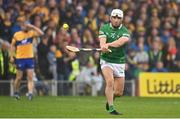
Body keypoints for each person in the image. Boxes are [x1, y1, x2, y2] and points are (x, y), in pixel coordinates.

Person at [99, 9, 130, 115]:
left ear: (122, 19)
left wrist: (109, 45)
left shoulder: (125, 31)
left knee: (119, 93)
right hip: (106, 61)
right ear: (110, 18)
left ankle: (110, 100)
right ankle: (111, 108)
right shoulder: (104, 28)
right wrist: (103, 47)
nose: (116, 20)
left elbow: (120, 42)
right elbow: (102, 42)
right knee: (110, 82)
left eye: (118, 18)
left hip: (119, 62)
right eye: (114, 17)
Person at [10, 16, 44, 100]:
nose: (25, 26)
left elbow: (41, 33)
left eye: (26, 25)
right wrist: (11, 56)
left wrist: (32, 26)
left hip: (29, 58)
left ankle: (30, 93)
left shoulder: (31, 33)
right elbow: (12, 46)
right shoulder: (17, 35)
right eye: (23, 25)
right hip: (20, 58)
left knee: (30, 77)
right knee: (19, 78)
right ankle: (16, 92)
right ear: (21, 26)